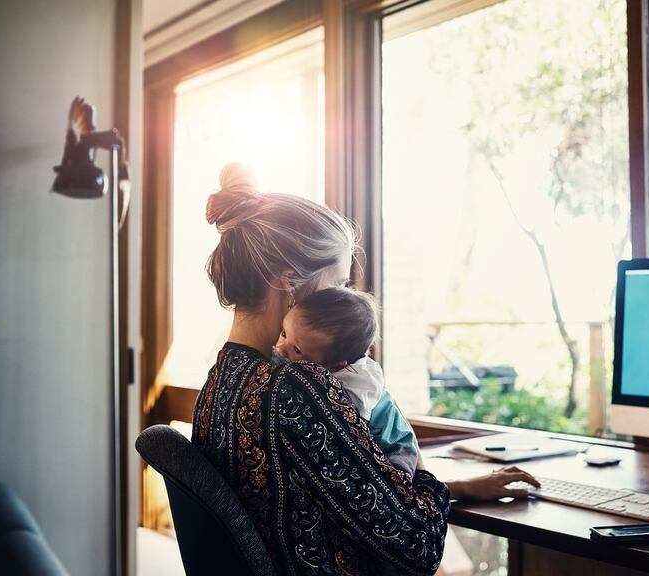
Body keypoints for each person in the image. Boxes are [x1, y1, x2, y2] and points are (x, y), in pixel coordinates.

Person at [192, 162, 539, 575]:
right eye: (336, 286)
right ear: (288, 282)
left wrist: (457, 489)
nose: (341, 302)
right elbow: (418, 544)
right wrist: (422, 471)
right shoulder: (298, 390)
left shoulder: (222, 380)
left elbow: (344, 494)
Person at [274, 286, 419, 477]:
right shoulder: (314, 361)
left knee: (397, 477)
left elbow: (352, 425)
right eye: (284, 333)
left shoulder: (358, 382)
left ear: (335, 365)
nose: (281, 348)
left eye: (297, 350)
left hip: (395, 445)